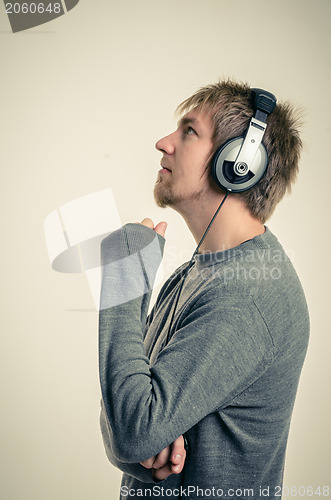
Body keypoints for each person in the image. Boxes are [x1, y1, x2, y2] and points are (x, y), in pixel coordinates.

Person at [98, 79, 309, 499]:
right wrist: (141, 434)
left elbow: (131, 428)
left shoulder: (245, 298)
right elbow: (127, 411)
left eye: (188, 131)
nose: (163, 143)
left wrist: (124, 278)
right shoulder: (196, 273)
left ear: (239, 163)